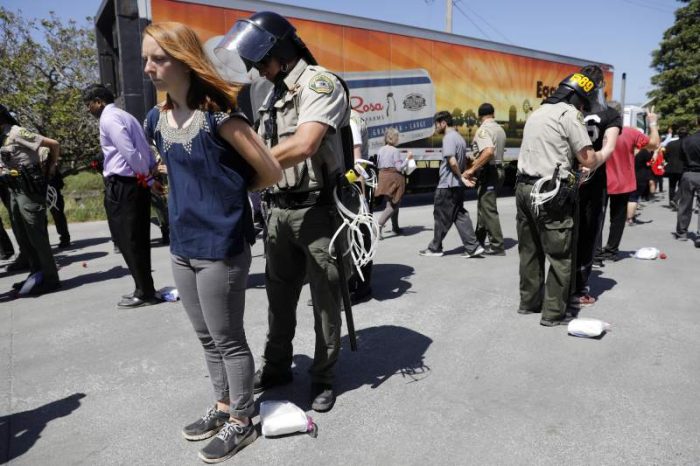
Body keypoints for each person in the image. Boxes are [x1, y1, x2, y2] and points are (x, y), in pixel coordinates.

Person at [142, 22, 281, 463]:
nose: (148, 67)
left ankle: (242, 421)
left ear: (183, 60)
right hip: (182, 247)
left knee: (228, 339)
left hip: (221, 246)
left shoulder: (220, 114)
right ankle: (223, 407)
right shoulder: (155, 118)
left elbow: (270, 171)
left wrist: (230, 201)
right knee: (206, 338)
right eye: (145, 58)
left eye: (157, 59)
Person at [218, 11, 350, 413]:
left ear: (279, 51)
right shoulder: (271, 92)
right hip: (278, 211)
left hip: (318, 212)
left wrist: (242, 172)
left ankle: (324, 377)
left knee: (326, 301)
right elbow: (260, 144)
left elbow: (305, 144)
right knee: (279, 299)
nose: (257, 69)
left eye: (260, 59)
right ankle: (276, 367)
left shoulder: (320, 83)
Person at [515, 71, 605, 326]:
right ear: (577, 97)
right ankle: (554, 313)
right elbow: (587, 158)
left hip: (523, 188)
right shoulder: (569, 114)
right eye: (584, 102)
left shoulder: (538, 112)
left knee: (529, 250)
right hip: (550, 191)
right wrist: (602, 155)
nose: (584, 107)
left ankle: (528, 303)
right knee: (560, 254)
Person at [83, 84, 160, 308]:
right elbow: (143, 149)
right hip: (133, 182)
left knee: (129, 239)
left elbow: (130, 152)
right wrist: (149, 176)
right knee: (134, 238)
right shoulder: (125, 115)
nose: (89, 110)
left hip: (125, 185)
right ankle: (144, 287)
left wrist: (148, 179)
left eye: (89, 105)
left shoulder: (109, 119)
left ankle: (145, 292)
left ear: (98, 101)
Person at [570, 66, 621, 308]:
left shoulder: (569, 111)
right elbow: (609, 149)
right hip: (593, 183)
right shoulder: (610, 115)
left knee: (566, 234)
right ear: (602, 85)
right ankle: (579, 288)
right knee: (588, 236)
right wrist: (592, 163)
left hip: (567, 181)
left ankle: (560, 285)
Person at [0, 103, 61, 295]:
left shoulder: (17, 132)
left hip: (29, 189)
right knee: (22, 232)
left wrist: (50, 168)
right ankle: (36, 273)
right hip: (14, 189)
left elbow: (53, 144)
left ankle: (51, 278)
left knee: (37, 235)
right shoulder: (1, 138)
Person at [597, 110, 659, 264]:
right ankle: (611, 251)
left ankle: (595, 252)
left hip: (598, 180)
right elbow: (654, 144)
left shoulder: (597, 131)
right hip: (622, 181)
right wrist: (653, 123)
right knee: (617, 219)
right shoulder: (629, 132)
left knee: (596, 218)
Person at [419, 110, 484, 258]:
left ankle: (435, 248)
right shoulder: (459, 138)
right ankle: (473, 247)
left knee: (440, 216)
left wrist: (461, 176)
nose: (435, 128)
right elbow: (466, 158)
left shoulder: (448, 138)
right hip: (456, 185)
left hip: (447, 185)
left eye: (436, 124)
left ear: (443, 123)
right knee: (459, 215)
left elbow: (452, 161)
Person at [463, 102, 506, 256]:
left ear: (479, 116)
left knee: (488, 209)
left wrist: (472, 169)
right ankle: (478, 241)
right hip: (499, 169)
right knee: (483, 207)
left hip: (490, 171)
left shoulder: (483, 130)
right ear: (493, 114)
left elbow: (488, 152)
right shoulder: (499, 129)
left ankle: (497, 245)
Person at [374, 127, 411, 238]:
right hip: (393, 179)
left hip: (383, 178)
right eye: (397, 137)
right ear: (392, 138)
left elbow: (379, 164)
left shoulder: (380, 150)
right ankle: (378, 225)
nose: (398, 139)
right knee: (393, 205)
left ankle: (395, 227)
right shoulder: (395, 151)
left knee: (393, 203)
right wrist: (408, 159)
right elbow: (399, 168)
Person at [673, 119, 700, 247]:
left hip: (689, 173)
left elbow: (682, 157)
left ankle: (682, 233)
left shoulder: (687, 140)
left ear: (697, 123)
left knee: (685, 204)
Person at [663, 127, 688, 210]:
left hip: (671, 167)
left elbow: (665, 155)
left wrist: (669, 161)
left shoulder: (670, 144)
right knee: (682, 186)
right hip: (683, 168)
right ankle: (676, 199)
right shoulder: (687, 144)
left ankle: (671, 202)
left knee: (671, 186)